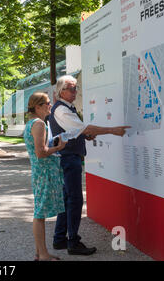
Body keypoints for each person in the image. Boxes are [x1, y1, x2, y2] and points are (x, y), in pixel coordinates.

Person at [49, 75, 130, 255]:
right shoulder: (62, 110)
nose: (75, 92)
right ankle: (73, 242)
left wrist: (85, 135)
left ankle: (60, 239)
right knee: (75, 199)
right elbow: (85, 128)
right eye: (71, 89)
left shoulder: (66, 108)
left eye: (75, 88)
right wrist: (112, 130)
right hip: (69, 158)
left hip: (68, 157)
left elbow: (75, 131)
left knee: (67, 200)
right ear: (61, 91)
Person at [24, 93, 67, 261]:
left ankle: (39, 253)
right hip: (44, 172)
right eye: (48, 103)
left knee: (39, 212)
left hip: (40, 172)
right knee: (39, 213)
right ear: (38, 107)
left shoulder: (33, 123)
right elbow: (40, 152)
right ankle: (43, 254)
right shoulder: (39, 124)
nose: (51, 105)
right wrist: (59, 147)